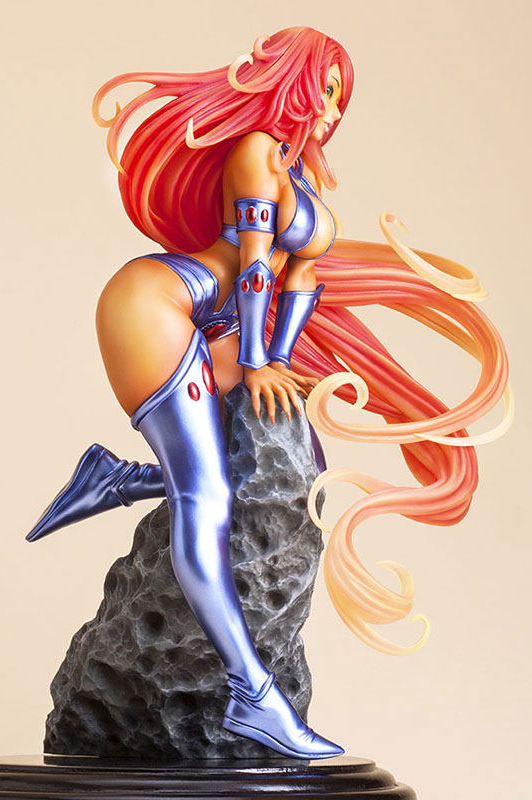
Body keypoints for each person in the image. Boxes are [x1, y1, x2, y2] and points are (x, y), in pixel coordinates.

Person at [25, 26, 511, 756]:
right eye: (323, 90)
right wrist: (256, 363)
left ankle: (119, 479)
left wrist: (276, 358)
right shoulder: (255, 152)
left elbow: (300, 278)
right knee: (208, 499)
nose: (330, 110)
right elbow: (256, 266)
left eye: (340, 98)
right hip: (158, 304)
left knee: (276, 472)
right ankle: (252, 695)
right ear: (291, 81)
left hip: (215, 322)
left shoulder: (299, 172)